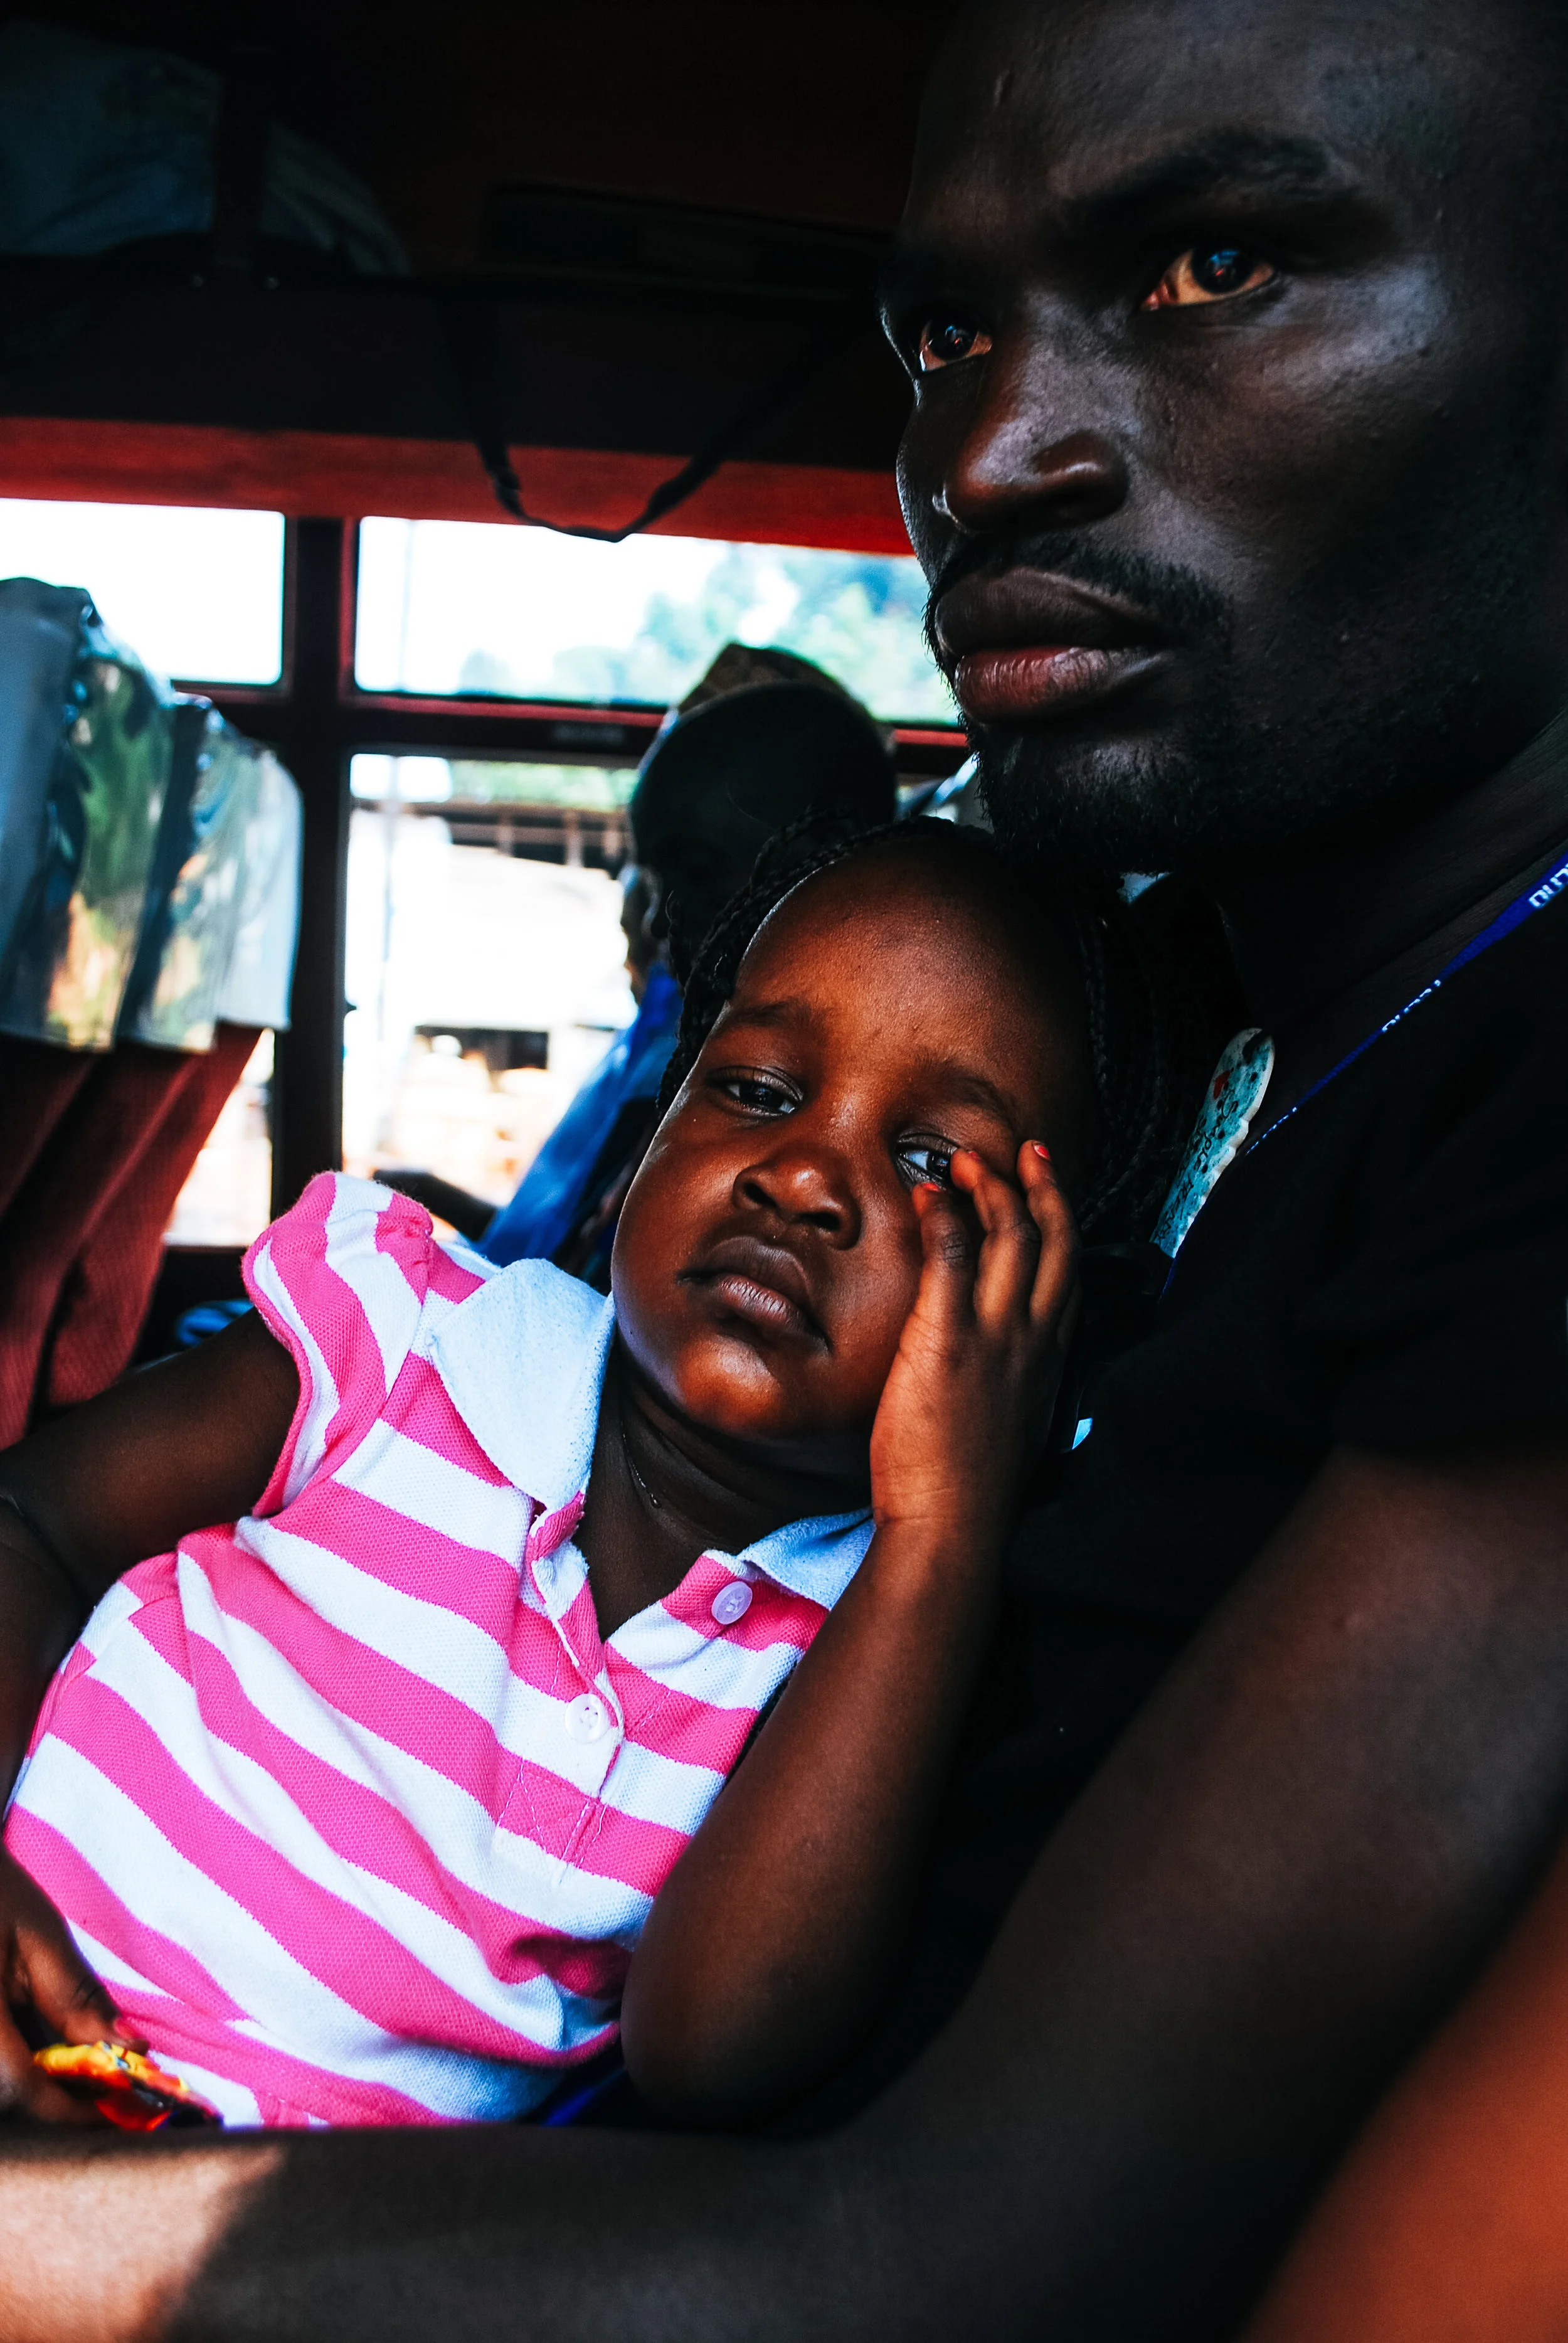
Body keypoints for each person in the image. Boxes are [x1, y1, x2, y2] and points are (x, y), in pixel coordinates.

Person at [4, 0, 1568, 2333]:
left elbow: (935, 2244)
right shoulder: (1228, 1012)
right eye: (937, 326)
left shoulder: (1512, 1129)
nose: (986, 450)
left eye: (1215, 265)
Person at [0, 821, 1178, 2133]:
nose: (799, 1178)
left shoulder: (893, 1639)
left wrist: (938, 1531)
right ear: (651, 1137)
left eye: (927, 1164)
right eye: (756, 1090)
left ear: (1046, 1316)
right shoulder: (402, 1339)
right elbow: (29, 1521)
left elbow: (707, 2044)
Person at [379, 651, 898, 1282]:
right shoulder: (689, 1052)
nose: (654, 923)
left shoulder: (793, 1120)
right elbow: (584, 1262)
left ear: (816, 863)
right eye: (651, 882)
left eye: (698, 870)